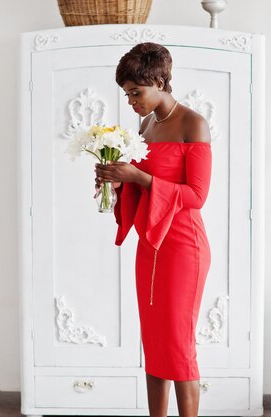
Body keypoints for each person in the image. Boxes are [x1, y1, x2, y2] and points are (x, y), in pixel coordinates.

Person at [94, 42, 212, 417]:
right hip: (150, 244)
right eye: (127, 94)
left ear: (160, 80)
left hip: (183, 247)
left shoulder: (194, 124)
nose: (131, 102)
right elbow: (142, 183)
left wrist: (139, 177)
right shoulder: (146, 125)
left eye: (136, 92)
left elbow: (196, 196)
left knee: (178, 343)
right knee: (155, 341)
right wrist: (116, 182)